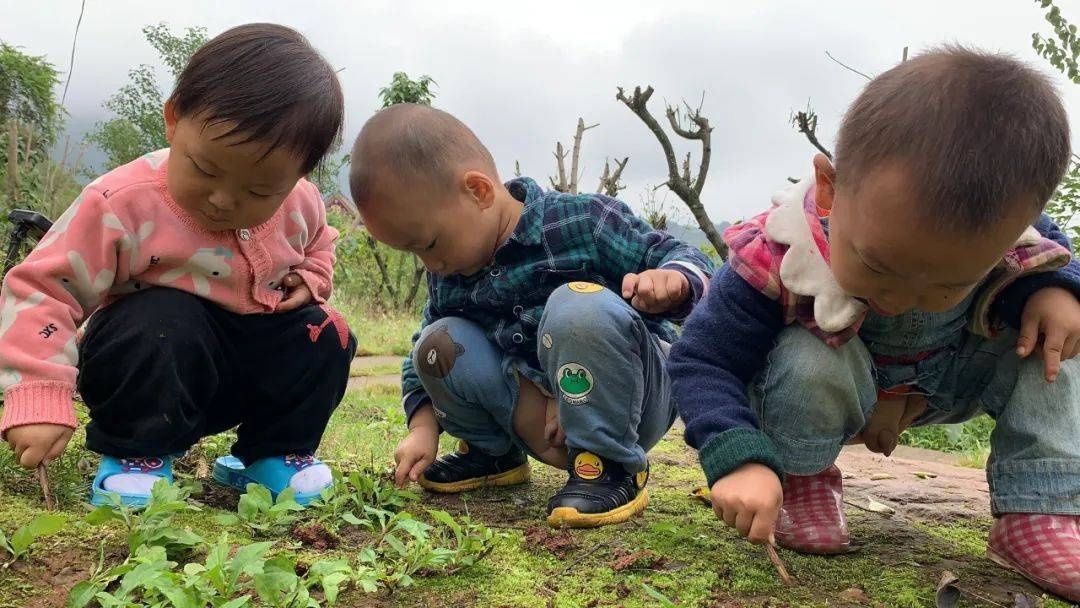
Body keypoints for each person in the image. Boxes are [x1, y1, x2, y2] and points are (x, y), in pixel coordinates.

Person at [669, 46, 1080, 602]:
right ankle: (800, 476)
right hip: (833, 379)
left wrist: (1058, 289)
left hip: (948, 381)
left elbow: (1053, 254)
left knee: (1062, 335)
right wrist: (737, 456)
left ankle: (1039, 507)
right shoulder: (776, 256)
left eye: (946, 285)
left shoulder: (1012, 238)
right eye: (878, 268)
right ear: (831, 188)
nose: (899, 299)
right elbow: (702, 358)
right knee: (807, 355)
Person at [0, 23, 356, 507]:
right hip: (148, 369)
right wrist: (37, 391)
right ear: (173, 119)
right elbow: (43, 288)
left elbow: (319, 243)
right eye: (205, 169)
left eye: (258, 192)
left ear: (299, 174)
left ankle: (273, 453)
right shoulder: (120, 205)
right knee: (165, 318)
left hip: (243, 371)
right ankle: (137, 458)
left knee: (326, 330)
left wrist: (313, 276)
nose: (223, 200)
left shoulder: (303, 203)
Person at [348, 103, 714, 527]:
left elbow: (678, 254)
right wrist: (423, 427)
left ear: (478, 192)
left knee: (575, 304)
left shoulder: (584, 222)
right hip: (535, 414)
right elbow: (422, 352)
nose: (429, 265)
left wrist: (674, 280)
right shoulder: (451, 272)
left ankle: (611, 464)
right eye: (412, 254)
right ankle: (492, 455)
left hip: (630, 401)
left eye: (427, 244)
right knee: (438, 342)